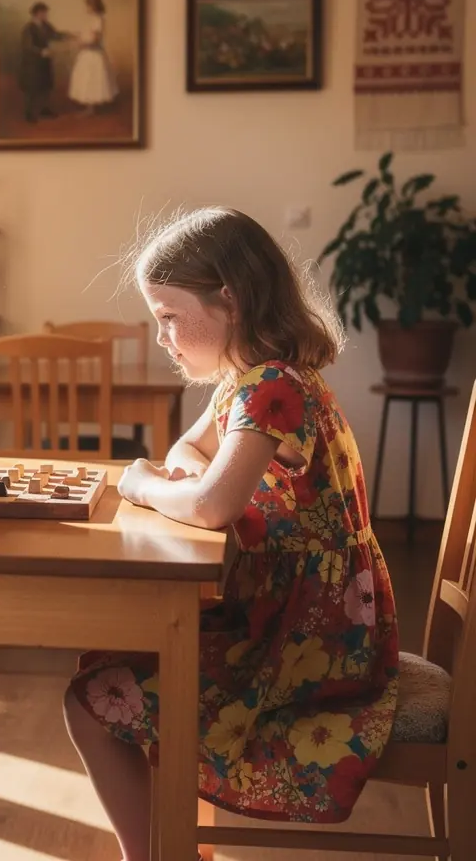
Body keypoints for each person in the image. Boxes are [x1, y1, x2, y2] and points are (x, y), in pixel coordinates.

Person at [62, 208, 399, 861]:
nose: (162, 336)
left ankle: (159, 858)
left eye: (167, 315)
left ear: (231, 299)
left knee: (92, 698)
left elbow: (211, 506)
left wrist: (141, 485)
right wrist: (192, 479)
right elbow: (191, 452)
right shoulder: (246, 385)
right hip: (302, 619)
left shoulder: (272, 387)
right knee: (119, 664)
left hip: (310, 643)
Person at [18, 1, 68, 123]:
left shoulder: (46, 25)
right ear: (36, 14)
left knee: (46, 86)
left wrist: (69, 36)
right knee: (32, 88)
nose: (46, 15)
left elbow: (55, 35)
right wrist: (41, 52)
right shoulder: (28, 28)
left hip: (44, 62)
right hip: (32, 64)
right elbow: (27, 46)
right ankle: (29, 114)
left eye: (46, 12)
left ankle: (44, 110)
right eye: (43, 12)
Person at [68, 0, 118, 115]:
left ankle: (90, 109)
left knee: (91, 79)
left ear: (94, 6)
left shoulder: (98, 19)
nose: (86, 8)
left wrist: (81, 44)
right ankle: (90, 107)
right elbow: (87, 34)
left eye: (88, 5)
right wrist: (76, 36)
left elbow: (95, 40)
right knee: (87, 78)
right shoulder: (93, 19)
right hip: (87, 53)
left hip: (93, 53)